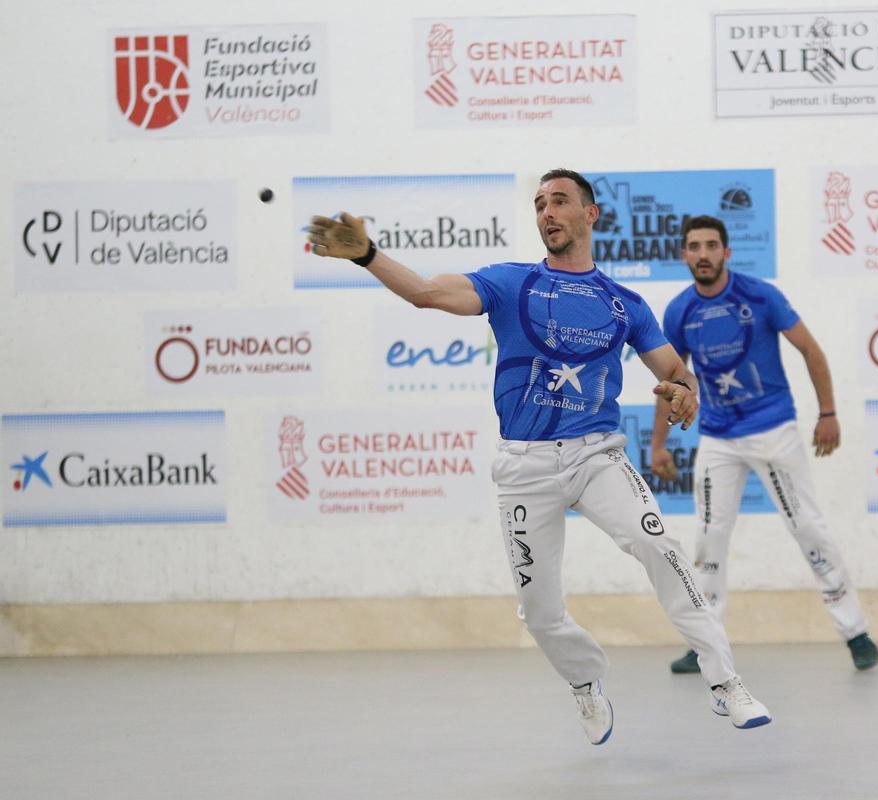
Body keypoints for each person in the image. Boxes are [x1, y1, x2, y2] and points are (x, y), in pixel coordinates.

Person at [306, 171, 771, 745]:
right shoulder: (509, 283)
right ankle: (585, 683)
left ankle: (726, 682)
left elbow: (675, 373)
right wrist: (370, 256)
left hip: (595, 457)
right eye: (539, 205)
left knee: (659, 546)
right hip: (523, 466)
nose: (547, 212)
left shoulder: (624, 304)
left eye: (559, 202)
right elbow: (427, 293)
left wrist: (685, 391)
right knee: (538, 611)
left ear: (590, 214)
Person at [650, 215, 878, 675]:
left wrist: (828, 413)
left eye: (711, 245)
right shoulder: (679, 311)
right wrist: (658, 445)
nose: (703, 254)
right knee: (710, 537)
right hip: (718, 438)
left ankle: (855, 631)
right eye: (693, 246)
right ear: (683, 256)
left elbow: (811, 351)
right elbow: (672, 380)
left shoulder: (760, 295)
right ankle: (705, 644)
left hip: (774, 431)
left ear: (727, 253)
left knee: (808, 528)